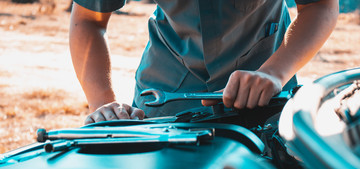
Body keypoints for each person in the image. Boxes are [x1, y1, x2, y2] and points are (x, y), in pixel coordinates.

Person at [69, 0, 338, 124]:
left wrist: (274, 73)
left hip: (265, 93)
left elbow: (321, 5)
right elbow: (88, 20)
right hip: (164, 96)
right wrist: (104, 105)